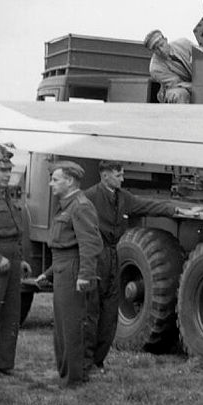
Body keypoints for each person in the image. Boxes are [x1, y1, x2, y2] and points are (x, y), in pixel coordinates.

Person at [82, 160, 183, 374]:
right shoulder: (89, 197)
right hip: (96, 256)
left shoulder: (123, 198)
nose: (122, 178)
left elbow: (147, 206)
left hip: (113, 256)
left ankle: (98, 361)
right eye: (118, 175)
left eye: (122, 174)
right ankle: (85, 360)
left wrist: (172, 209)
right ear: (105, 175)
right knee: (92, 311)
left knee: (110, 313)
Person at [46, 161, 102, 386]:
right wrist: (49, 273)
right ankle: (65, 374)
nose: (51, 184)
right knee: (61, 326)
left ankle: (74, 378)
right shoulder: (67, 204)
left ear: (69, 181)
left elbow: (89, 244)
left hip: (72, 271)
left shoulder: (80, 206)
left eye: (55, 179)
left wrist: (85, 275)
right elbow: (64, 245)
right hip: (62, 268)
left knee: (72, 326)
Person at [0, 143, 32, 376]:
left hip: (11, 257)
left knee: (11, 314)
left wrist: (18, 259)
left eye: (8, 171)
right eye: (2, 171)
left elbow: (15, 230)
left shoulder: (7, 195)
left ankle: (2, 364)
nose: (6, 175)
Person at [144, 29, 195, 104]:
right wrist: (198, 87)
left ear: (166, 40)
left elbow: (201, 56)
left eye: (161, 45)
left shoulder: (185, 43)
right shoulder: (155, 69)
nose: (161, 50)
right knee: (179, 94)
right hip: (175, 88)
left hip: (196, 81)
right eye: (156, 49)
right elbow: (177, 83)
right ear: (153, 51)